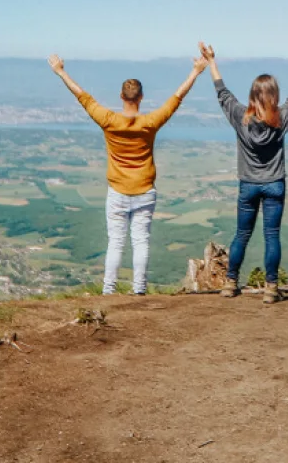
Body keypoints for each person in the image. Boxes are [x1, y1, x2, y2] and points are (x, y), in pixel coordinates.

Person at [49, 51, 208, 295]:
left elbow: (82, 96)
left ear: (121, 96)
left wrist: (60, 72)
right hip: (145, 190)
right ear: (141, 97)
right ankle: (139, 290)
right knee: (141, 241)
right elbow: (176, 98)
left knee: (116, 242)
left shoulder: (109, 120)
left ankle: (109, 291)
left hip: (117, 192)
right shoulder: (150, 122)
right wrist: (195, 72)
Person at [202, 43, 288, 304]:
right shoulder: (283, 117)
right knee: (271, 235)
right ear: (274, 95)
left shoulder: (241, 116)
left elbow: (222, 93)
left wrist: (211, 62)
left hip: (248, 184)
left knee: (242, 235)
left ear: (252, 95)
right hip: (274, 184)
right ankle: (271, 288)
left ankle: (230, 283)